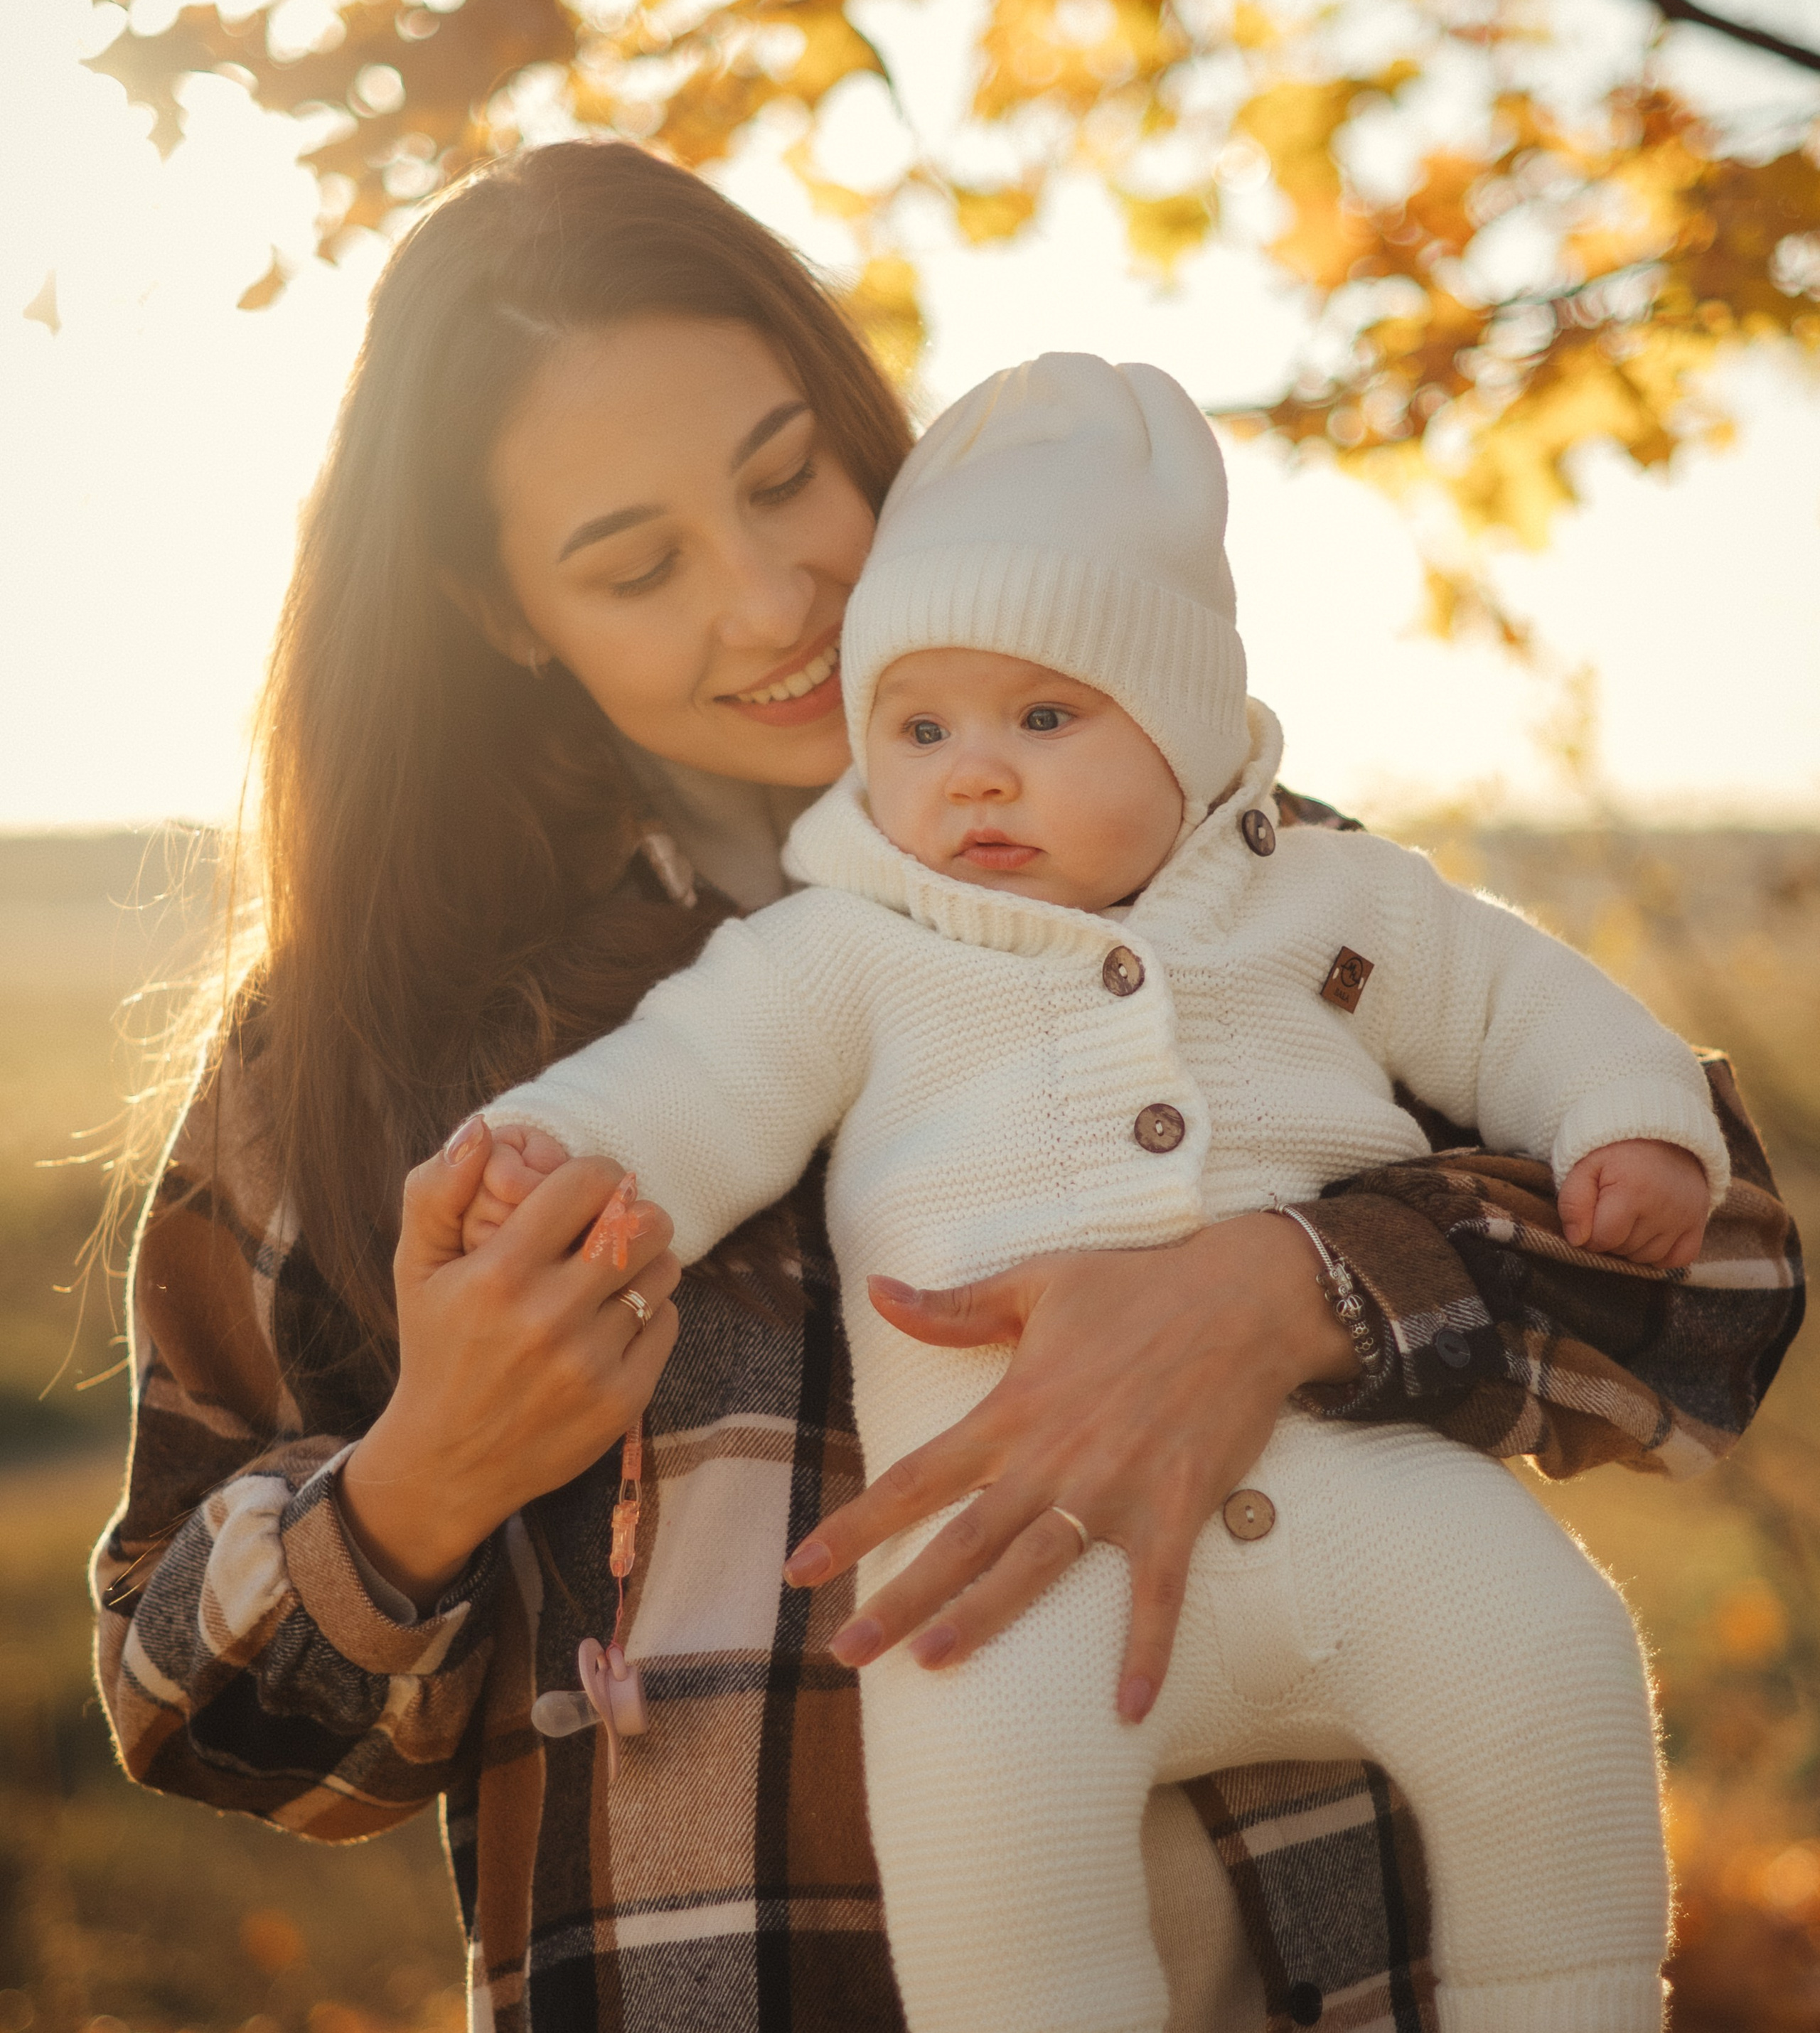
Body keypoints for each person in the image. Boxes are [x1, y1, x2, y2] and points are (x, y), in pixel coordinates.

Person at [92, 142, 1802, 2033]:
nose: (772, 598)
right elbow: (193, 1707)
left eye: (784, 476)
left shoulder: (1183, 855)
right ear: (503, 612)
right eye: (637, 563)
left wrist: (1291, 1288)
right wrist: (426, 1478)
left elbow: (1716, 1263)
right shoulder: (376, 1042)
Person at [467, 354, 1720, 2033]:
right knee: (986, 1852)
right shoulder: (853, 941)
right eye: (917, 728)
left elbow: (1526, 1006)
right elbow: (692, 1077)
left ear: (1184, 728)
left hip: (1356, 1497)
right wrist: (562, 1158)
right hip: (999, 1574)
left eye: (1041, 718)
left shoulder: (1330, 898)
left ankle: (1563, 1997)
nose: (971, 775)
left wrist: (1628, 1123)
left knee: (1548, 1662)